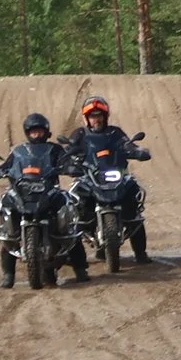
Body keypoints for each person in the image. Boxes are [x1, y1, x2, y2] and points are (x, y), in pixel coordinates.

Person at [0, 111, 87, 287]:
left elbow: (66, 162)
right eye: (33, 131)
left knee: (70, 227)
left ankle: (81, 270)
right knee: (8, 235)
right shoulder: (19, 151)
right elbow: (7, 165)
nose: (36, 134)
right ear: (27, 133)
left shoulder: (55, 149)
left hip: (48, 191)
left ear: (46, 132)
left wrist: (70, 167)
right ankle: (8, 276)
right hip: (23, 192)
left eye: (39, 131)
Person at [59, 96, 152, 261]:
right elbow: (68, 152)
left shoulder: (115, 133)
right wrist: (68, 164)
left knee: (134, 206)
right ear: (87, 118)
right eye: (93, 116)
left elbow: (128, 145)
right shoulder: (79, 134)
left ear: (105, 116)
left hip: (115, 175)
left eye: (99, 115)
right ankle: (69, 254)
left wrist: (138, 152)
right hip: (89, 177)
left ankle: (140, 253)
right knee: (72, 209)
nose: (97, 119)